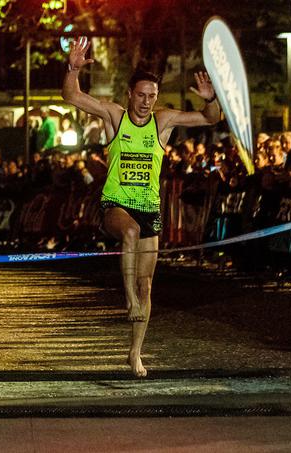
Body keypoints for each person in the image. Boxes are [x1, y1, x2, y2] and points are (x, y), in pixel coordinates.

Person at [62, 36, 221, 377]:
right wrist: (73, 69)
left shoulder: (162, 122)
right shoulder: (115, 116)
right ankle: (128, 301)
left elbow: (210, 119)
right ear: (129, 95)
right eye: (141, 95)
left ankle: (135, 353)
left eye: (152, 96)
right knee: (129, 232)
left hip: (150, 209)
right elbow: (72, 96)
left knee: (147, 285)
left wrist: (212, 99)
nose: (147, 101)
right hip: (116, 206)